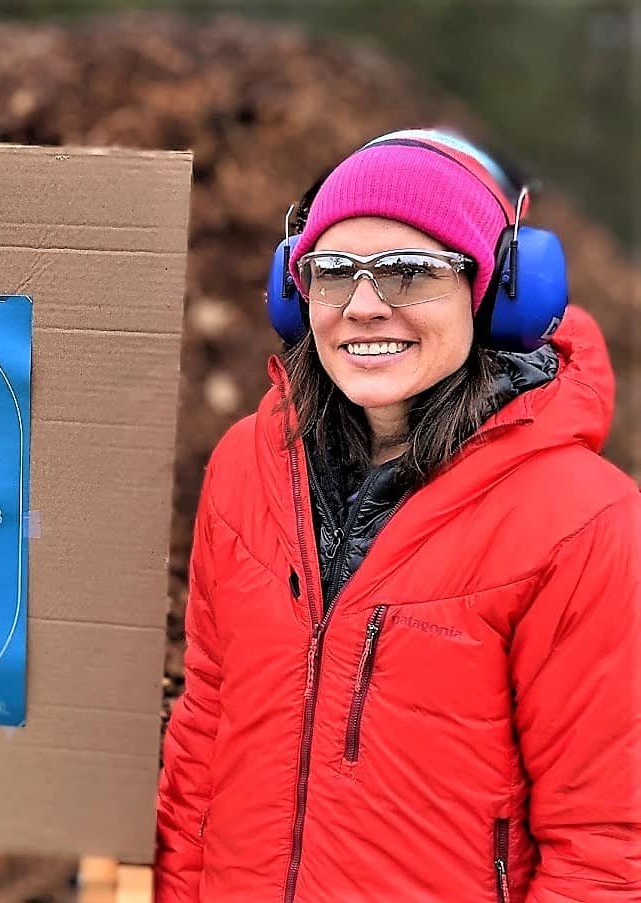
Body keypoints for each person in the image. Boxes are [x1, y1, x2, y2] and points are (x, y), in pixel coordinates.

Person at [154, 130, 641, 901]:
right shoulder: (246, 465)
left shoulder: (584, 521)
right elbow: (204, 737)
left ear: (496, 294)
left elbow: (607, 846)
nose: (364, 306)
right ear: (293, 293)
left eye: (411, 272)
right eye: (332, 273)